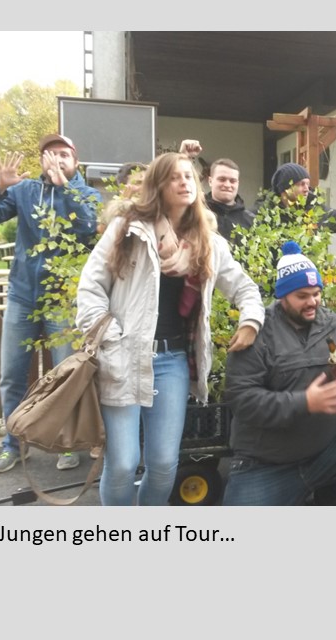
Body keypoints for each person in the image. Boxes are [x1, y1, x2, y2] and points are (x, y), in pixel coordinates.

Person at [76, 152, 264, 505]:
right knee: (123, 464)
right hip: (123, 357)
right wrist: (110, 338)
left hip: (172, 362)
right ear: (158, 186)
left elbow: (245, 288)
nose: (184, 182)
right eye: (174, 177)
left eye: (188, 176)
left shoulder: (207, 242)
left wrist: (251, 321)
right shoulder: (128, 229)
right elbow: (90, 288)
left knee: (164, 464)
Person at [222, 241, 336, 505]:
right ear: (283, 296)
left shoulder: (335, 326)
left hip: (327, 451)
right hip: (266, 462)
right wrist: (304, 402)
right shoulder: (258, 333)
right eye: (302, 296)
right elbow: (242, 399)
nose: (312, 302)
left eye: (316, 293)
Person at [0, 133, 102, 473]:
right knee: (11, 376)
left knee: (67, 376)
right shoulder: (25, 191)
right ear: (41, 160)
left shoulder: (86, 194)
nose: (56, 159)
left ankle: (67, 444)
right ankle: (13, 445)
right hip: (22, 296)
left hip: (63, 299)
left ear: (75, 161)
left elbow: (88, 227)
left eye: (63, 154)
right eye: (50, 154)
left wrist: (65, 189)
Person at [256, 162, 336, 232]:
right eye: (301, 184)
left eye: (308, 184)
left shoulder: (315, 210)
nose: (306, 189)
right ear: (285, 188)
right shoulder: (263, 214)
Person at [202, 158, 256, 242]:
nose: (227, 185)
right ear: (210, 181)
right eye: (222, 179)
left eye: (232, 181)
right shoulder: (198, 214)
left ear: (238, 183)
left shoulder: (252, 221)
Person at [99, 161, 148, 233]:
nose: (144, 187)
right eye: (138, 183)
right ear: (122, 188)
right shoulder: (112, 212)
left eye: (147, 182)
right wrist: (122, 205)